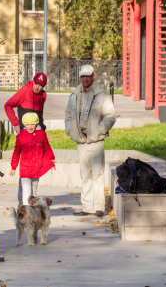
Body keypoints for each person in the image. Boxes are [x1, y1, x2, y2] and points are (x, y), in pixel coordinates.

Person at [64, 65, 116, 217]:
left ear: (94, 76)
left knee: (97, 175)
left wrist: (100, 130)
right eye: (82, 76)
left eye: (88, 76)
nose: (85, 79)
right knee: (85, 175)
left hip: (95, 141)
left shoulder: (103, 95)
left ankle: (99, 207)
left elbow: (110, 116)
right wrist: (70, 130)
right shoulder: (74, 94)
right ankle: (87, 207)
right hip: (80, 141)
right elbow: (68, 115)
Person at [10, 112, 55, 205]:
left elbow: (47, 147)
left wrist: (51, 158)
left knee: (34, 191)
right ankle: (27, 211)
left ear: (36, 124)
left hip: (36, 168)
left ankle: (33, 209)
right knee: (26, 190)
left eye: (33, 124)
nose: (30, 127)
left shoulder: (42, 134)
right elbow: (16, 152)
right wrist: (13, 167)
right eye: (27, 124)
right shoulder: (20, 136)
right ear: (24, 125)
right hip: (25, 169)